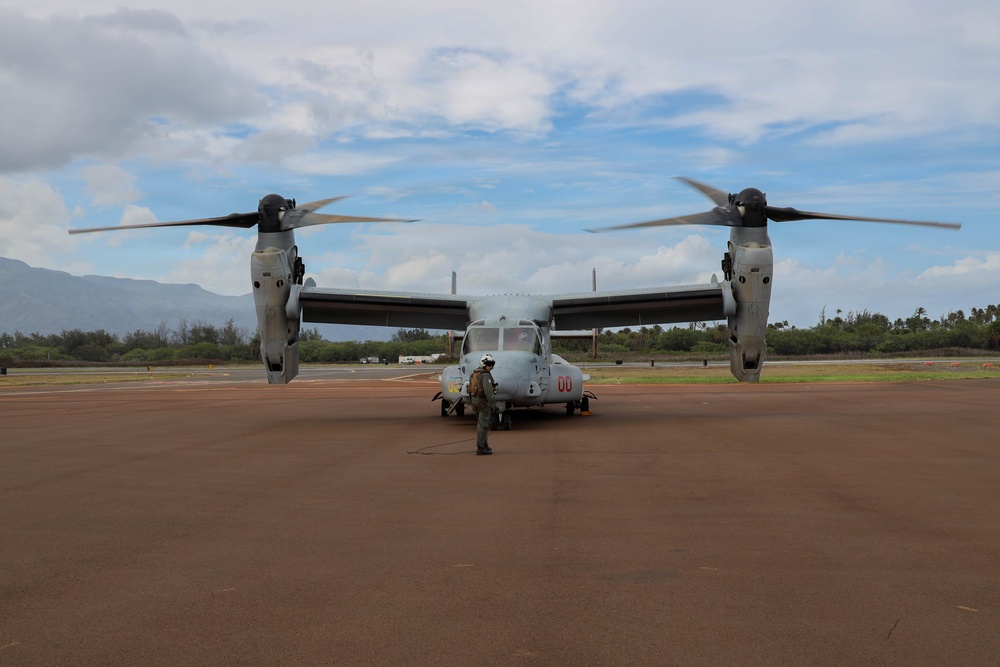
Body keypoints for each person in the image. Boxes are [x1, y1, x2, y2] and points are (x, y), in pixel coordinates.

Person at [469, 354, 498, 455]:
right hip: (483, 403)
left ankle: (485, 445)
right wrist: (495, 405)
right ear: (484, 364)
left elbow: (470, 389)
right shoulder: (485, 375)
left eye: (492, 364)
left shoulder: (474, 373)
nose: (491, 367)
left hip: (475, 401)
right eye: (489, 364)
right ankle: (481, 447)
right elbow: (488, 392)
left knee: (481, 424)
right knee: (483, 426)